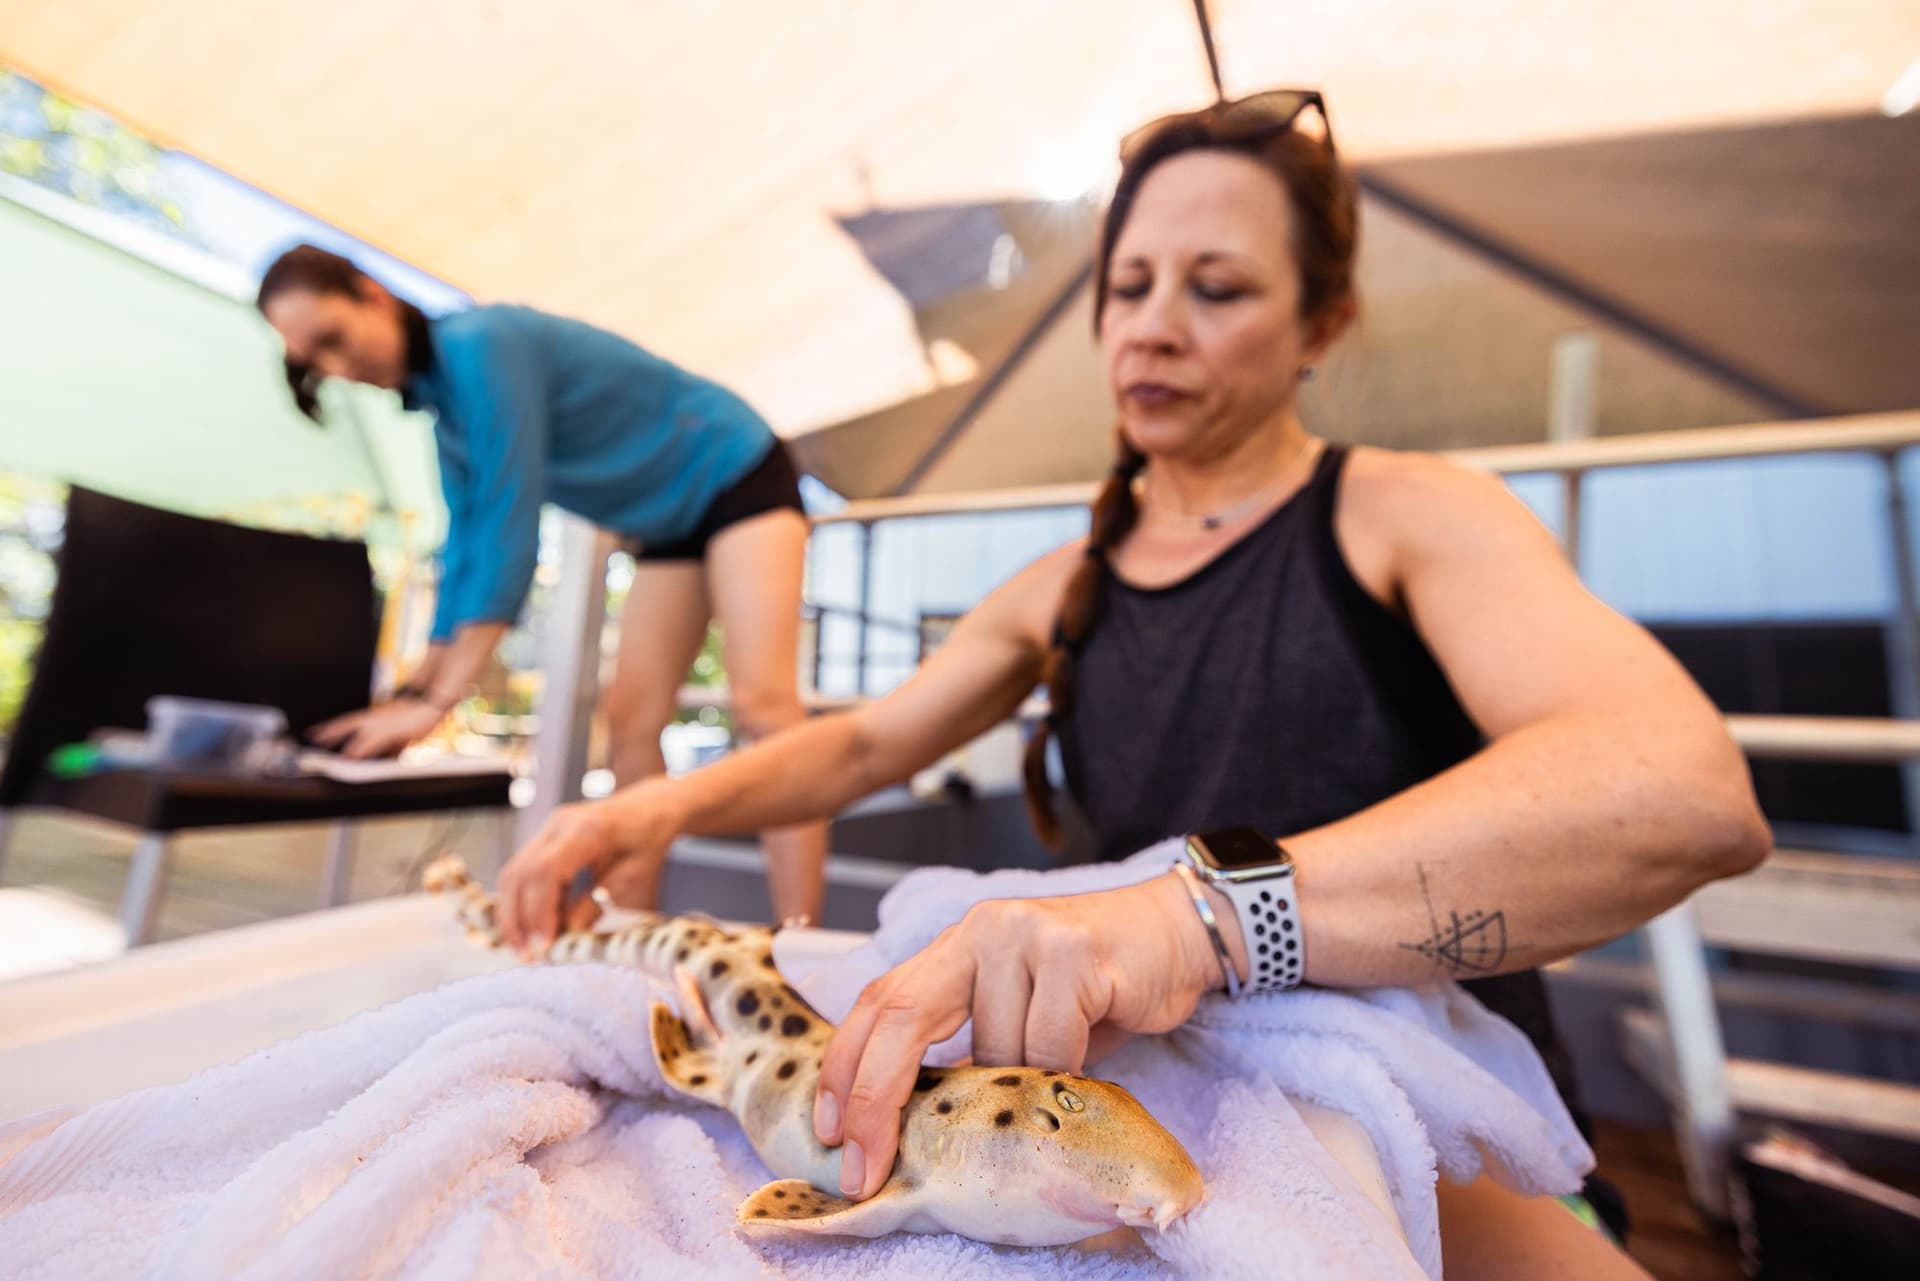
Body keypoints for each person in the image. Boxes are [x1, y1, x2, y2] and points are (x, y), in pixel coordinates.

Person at [495, 90, 1767, 1276]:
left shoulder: (1405, 515)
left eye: (1215, 288)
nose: (1154, 323)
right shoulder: (1065, 583)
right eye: (1131, 286)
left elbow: (1682, 791)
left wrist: (1195, 919)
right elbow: (861, 746)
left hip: (1440, 1111)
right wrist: (645, 808)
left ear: (1322, 324)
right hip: (1141, 1101)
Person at [257, 246, 827, 924]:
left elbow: (509, 524)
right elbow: (466, 549)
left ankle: (805, 937)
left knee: (763, 703)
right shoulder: (443, 412)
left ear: (372, 295)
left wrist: (441, 698)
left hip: (735, 472)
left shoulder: (481, 344)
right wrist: (412, 692)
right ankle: (633, 931)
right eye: (314, 361)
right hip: (668, 524)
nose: (337, 368)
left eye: (333, 340)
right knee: (631, 717)